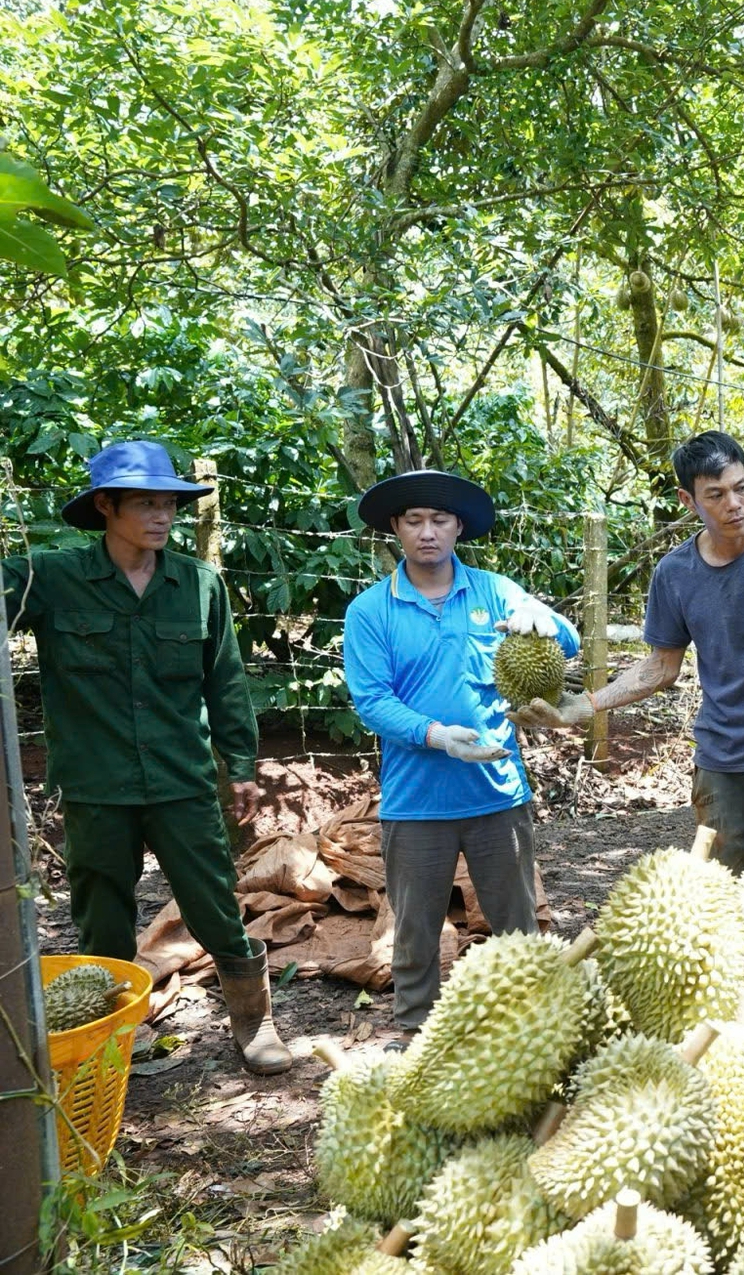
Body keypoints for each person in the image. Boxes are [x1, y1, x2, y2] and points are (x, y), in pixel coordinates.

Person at [1, 442, 289, 1072]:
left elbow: (226, 683)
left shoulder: (198, 586)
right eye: (146, 504)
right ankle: (109, 1039)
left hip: (181, 780)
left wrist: (239, 765)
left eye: (170, 505)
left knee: (213, 900)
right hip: (94, 784)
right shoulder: (50, 576)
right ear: (106, 506)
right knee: (102, 913)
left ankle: (254, 1022)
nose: (162, 517)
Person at [510, 431, 744, 871]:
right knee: (717, 906)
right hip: (723, 767)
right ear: (688, 501)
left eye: (741, 487)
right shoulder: (674, 574)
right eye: (715, 494)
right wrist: (584, 705)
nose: (734, 503)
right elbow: (661, 667)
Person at [343, 469, 580, 1029]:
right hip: (416, 798)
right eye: (415, 521)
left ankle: (533, 1022)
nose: (428, 532)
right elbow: (372, 700)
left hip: (497, 792)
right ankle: (413, 1027)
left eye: (440, 520)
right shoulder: (370, 611)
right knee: (416, 928)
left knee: (517, 920)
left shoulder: (496, 591)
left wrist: (543, 618)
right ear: (396, 529)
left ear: (458, 528)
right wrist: (436, 735)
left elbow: (566, 641)